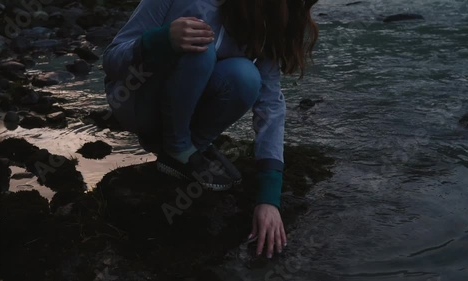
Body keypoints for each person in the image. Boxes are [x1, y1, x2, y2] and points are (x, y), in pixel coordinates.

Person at [103, 0, 319, 258]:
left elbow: (270, 104)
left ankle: (191, 148)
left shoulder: (262, 16)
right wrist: (160, 40)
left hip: (184, 111)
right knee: (199, 46)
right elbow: (111, 59)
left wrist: (269, 199)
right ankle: (177, 148)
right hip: (136, 102)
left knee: (246, 76)